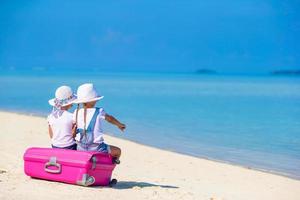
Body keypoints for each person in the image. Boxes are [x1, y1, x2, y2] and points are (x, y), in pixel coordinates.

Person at [73, 83, 126, 164]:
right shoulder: (99, 111)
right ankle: (107, 168)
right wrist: (120, 125)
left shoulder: (76, 112)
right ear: (93, 100)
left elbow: (73, 128)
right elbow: (110, 119)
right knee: (117, 151)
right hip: (96, 148)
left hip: (80, 148)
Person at [47, 86, 77, 150]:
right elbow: (73, 135)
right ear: (70, 103)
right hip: (70, 146)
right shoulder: (72, 116)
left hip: (55, 146)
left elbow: (51, 135)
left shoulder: (50, 116)